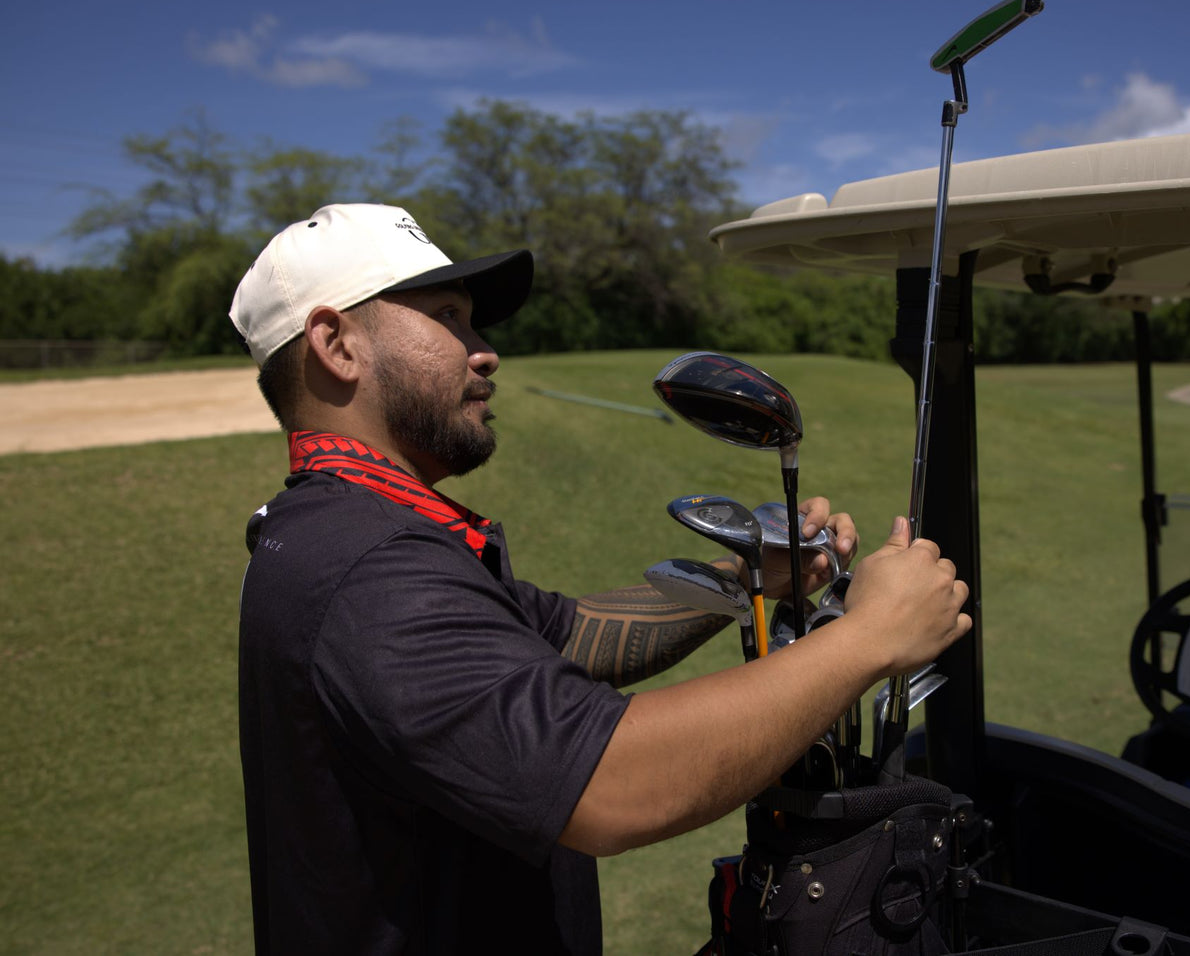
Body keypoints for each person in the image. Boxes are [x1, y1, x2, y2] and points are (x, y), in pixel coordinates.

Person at [228, 203, 971, 954]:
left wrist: (750, 575)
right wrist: (869, 639)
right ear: (335, 345)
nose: (484, 352)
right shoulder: (370, 567)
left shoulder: (352, 528)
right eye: (447, 316)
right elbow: (611, 785)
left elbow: (576, 633)